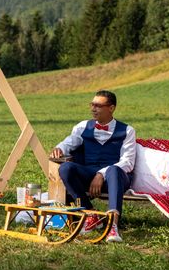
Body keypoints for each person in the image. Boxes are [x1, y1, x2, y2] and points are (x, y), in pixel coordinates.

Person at [50, 90, 136, 243]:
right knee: (65, 168)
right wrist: (60, 148)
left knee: (114, 169)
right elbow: (69, 142)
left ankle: (112, 226)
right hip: (88, 175)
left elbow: (128, 162)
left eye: (98, 105)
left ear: (111, 108)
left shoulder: (127, 130)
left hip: (114, 179)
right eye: (92, 104)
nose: (93, 109)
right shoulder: (83, 126)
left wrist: (101, 174)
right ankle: (91, 214)